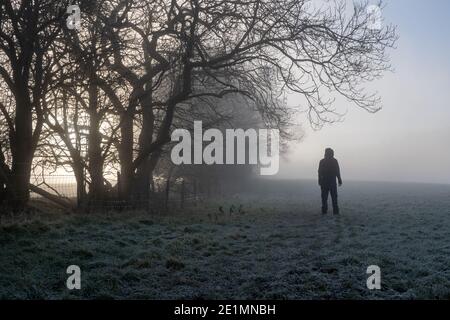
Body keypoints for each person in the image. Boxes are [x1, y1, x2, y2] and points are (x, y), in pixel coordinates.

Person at [318, 148, 342, 215]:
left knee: (324, 198)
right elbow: (337, 171)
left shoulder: (322, 161)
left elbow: (319, 172)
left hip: (324, 182)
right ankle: (335, 211)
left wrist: (319, 180)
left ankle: (324, 211)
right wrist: (339, 179)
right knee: (334, 198)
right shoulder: (334, 161)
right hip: (332, 182)